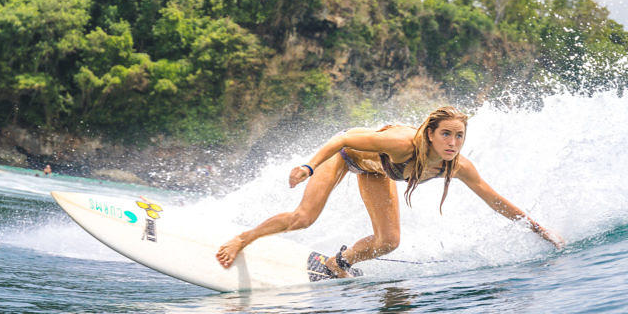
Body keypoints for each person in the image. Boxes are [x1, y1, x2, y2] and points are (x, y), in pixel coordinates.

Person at [216, 106, 565, 278]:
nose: (453, 142)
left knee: (389, 242)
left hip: (374, 172)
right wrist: (308, 167)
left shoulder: (457, 166)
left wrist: (538, 230)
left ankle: (336, 264)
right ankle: (242, 239)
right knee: (303, 218)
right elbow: (344, 138)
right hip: (343, 157)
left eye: (459, 136)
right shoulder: (402, 143)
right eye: (446, 134)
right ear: (430, 133)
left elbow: (495, 201)